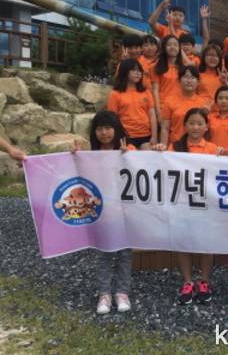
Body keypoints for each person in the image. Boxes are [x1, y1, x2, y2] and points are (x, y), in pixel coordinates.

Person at [73, 110, 134, 314]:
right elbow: (79, 176)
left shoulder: (128, 150)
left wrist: (128, 157)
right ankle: (104, 294)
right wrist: (75, 158)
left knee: (125, 253)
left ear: (116, 130)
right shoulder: (90, 155)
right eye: (99, 129)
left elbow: (142, 169)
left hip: (125, 212)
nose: (104, 133)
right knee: (104, 253)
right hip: (102, 213)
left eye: (108, 128)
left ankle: (122, 292)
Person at [166, 108, 223, 305]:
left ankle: (204, 281)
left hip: (206, 204)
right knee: (183, 242)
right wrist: (158, 152)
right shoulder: (175, 147)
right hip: (182, 203)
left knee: (206, 244)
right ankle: (188, 281)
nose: (195, 127)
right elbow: (163, 167)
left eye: (200, 123)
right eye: (191, 123)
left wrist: (221, 158)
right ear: (185, 126)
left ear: (207, 127)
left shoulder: (214, 149)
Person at [106, 58, 158, 148]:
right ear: (125, 72)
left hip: (146, 135)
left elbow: (152, 115)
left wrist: (154, 136)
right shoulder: (115, 94)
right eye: (134, 70)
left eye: (139, 71)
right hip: (126, 136)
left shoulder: (146, 92)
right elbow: (112, 119)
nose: (138, 73)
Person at [160, 65, 213, 145]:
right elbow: (165, 128)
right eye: (186, 77)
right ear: (179, 80)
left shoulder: (204, 103)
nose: (189, 81)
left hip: (198, 147)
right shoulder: (169, 101)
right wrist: (163, 146)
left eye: (192, 78)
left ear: (198, 82)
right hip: (177, 145)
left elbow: (207, 129)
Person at [150, 35, 186, 121]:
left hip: (180, 107)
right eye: (169, 44)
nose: (172, 47)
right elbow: (155, 90)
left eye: (175, 45)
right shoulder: (156, 67)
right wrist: (158, 112)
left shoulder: (184, 68)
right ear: (164, 47)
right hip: (163, 107)